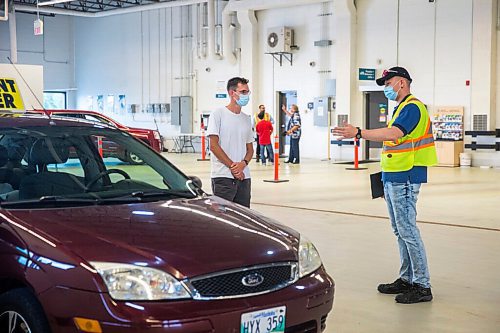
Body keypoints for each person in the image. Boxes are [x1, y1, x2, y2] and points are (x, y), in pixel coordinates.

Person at [332, 66, 437, 304]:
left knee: (408, 230)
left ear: (401, 82)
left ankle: (422, 285)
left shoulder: (412, 107)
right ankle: (407, 278)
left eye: (388, 83)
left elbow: (393, 134)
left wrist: (359, 132)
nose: (386, 88)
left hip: (407, 176)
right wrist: (384, 179)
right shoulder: (401, 108)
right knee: (400, 230)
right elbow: (395, 145)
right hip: (394, 176)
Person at [207, 77, 254, 208]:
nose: (247, 95)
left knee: (243, 217)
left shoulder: (246, 119)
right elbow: (214, 145)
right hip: (223, 176)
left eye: (248, 92)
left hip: (244, 177)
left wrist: (243, 164)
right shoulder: (218, 114)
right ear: (232, 93)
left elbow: (250, 149)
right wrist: (233, 167)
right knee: (223, 217)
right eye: (243, 92)